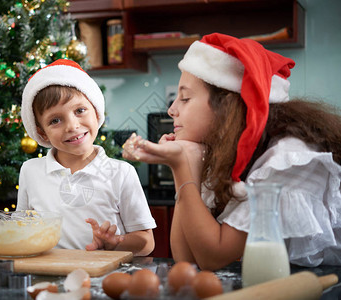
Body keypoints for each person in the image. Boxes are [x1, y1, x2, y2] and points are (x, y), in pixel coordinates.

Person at [123, 33, 341, 269]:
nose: (172, 110)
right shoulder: (222, 152)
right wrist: (186, 164)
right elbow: (186, 257)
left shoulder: (290, 158)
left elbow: (213, 257)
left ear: (226, 107)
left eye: (185, 98)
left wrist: (181, 166)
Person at [18, 59, 156, 256]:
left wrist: (115, 242)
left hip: (105, 282)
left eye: (80, 110)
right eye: (55, 120)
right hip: (49, 279)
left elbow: (146, 242)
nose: (72, 126)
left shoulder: (121, 173)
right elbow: (23, 227)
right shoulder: (30, 171)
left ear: (97, 110)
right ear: (42, 133)